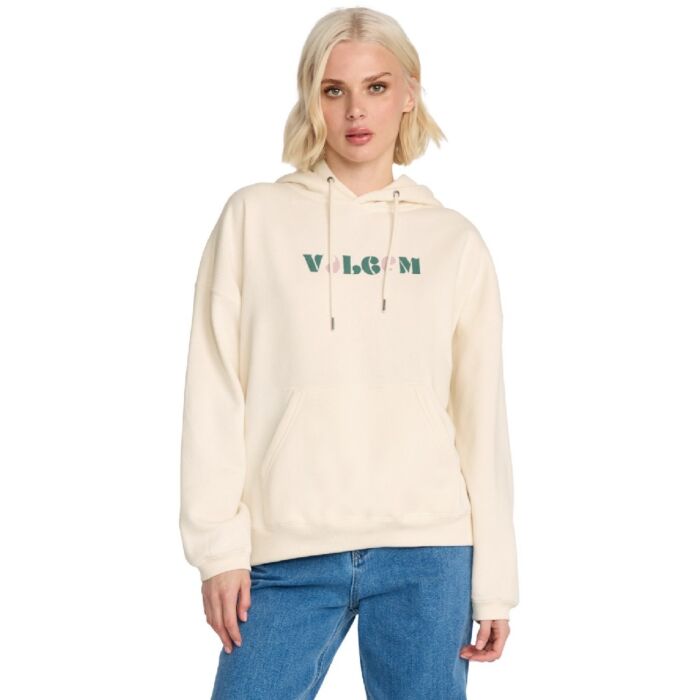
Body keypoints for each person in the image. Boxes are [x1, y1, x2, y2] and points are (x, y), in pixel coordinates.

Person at [179, 7, 519, 699]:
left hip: (428, 550)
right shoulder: (254, 218)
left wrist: (496, 585)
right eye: (334, 90)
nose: (356, 110)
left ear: (409, 93)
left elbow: (482, 419)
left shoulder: (454, 242)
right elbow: (214, 387)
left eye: (376, 87)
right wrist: (217, 548)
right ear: (312, 98)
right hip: (285, 549)